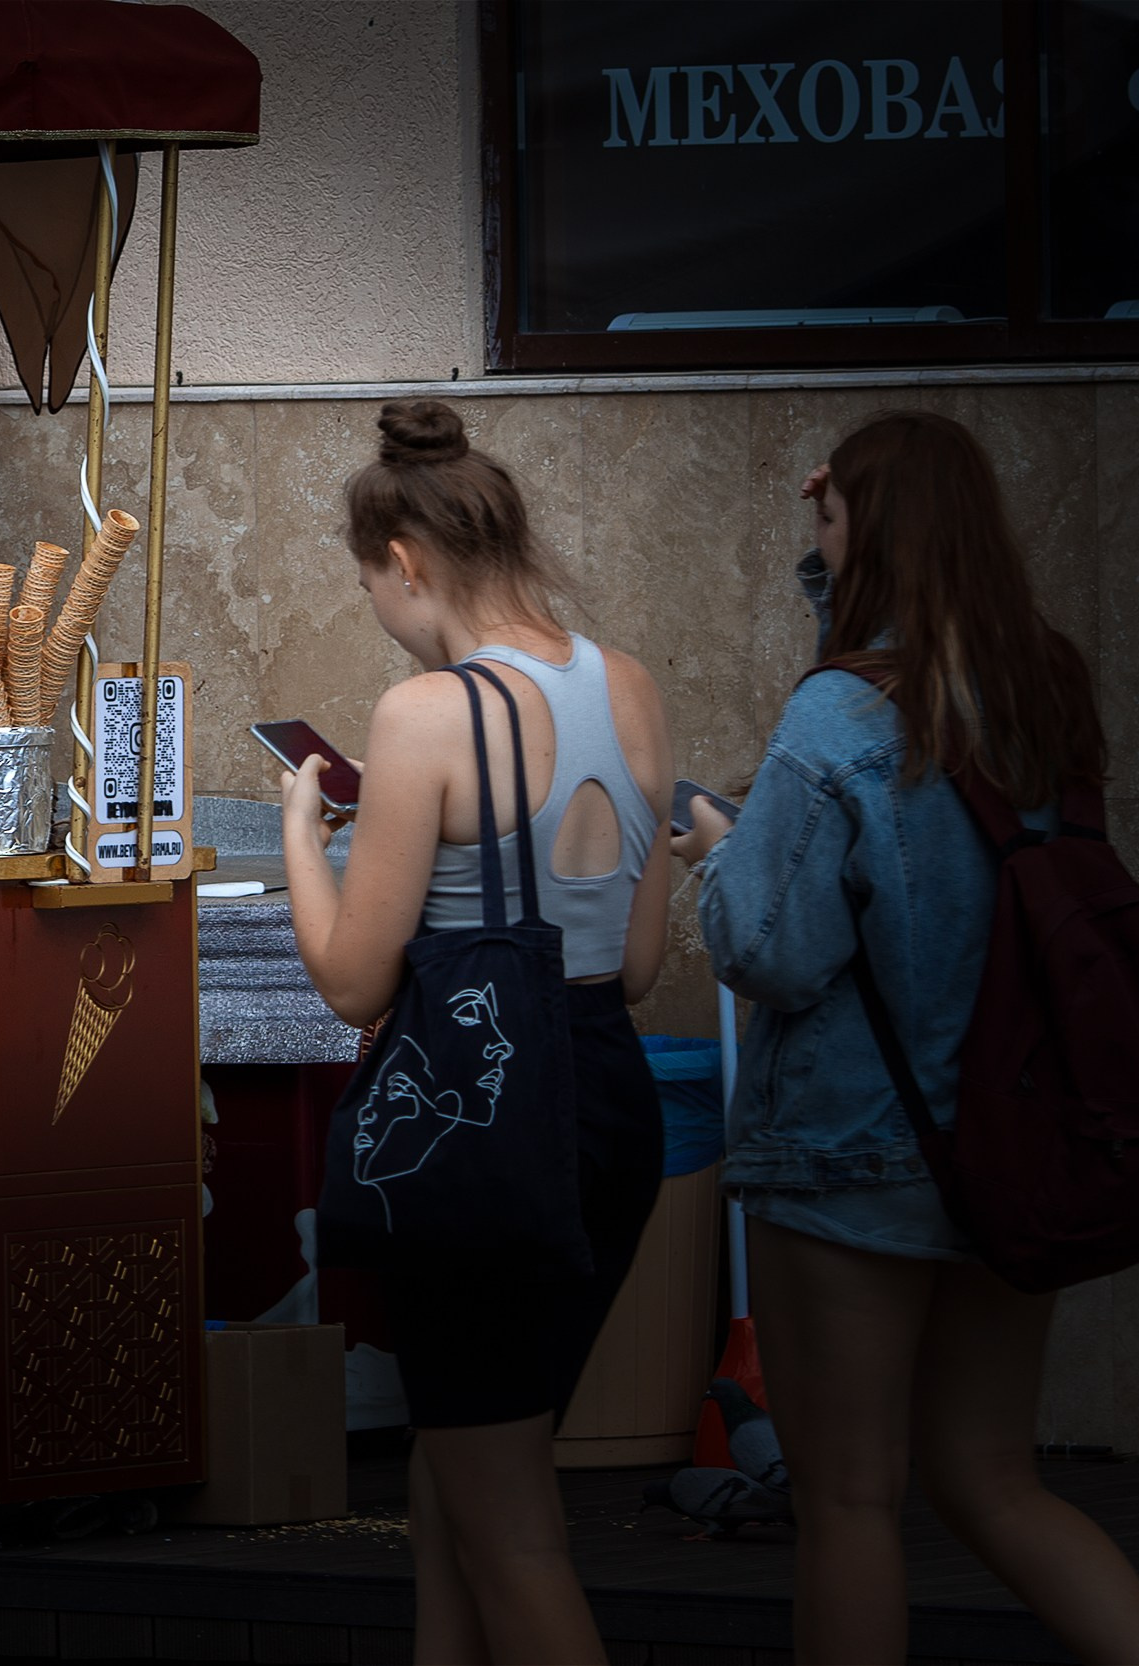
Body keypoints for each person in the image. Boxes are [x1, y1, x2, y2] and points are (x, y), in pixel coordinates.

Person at [670, 411, 1139, 1666]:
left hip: (850, 1156)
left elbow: (771, 949)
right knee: (994, 1480)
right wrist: (833, 543)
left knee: (846, 1499)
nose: (818, 532)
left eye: (829, 519)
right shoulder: (1039, 687)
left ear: (871, 532)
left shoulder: (833, 720)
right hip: (1011, 1136)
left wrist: (724, 850)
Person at [278, 400, 677, 1665]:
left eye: (368, 587)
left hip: (480, 1117)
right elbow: (646, 961)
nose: (380, 613)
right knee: (460, 1475)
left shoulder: (427, 717)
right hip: (608, 1097)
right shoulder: (628, 685)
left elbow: (352, 983)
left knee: (511, 1528)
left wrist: (302, 834)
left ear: (406, 563)